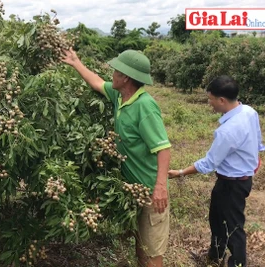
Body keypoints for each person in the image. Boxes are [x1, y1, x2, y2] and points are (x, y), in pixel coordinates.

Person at [62, 48, 171, 267]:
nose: (112, 73)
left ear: (126, 77)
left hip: (150, 191)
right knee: (141, 247)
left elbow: (164, 148)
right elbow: (96, 82)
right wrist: (76, 62)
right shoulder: (120, 96)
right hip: (133, 190)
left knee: (152, 254)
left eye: (116, 70)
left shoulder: (145, 106)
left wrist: (160, 186)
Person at [168, 75, 264, 267]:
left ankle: (238, 263)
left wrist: (180, 172)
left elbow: (209, 163)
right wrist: (254, 158)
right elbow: (257, 141)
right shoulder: (249, 111)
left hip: (232, 183)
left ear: (221, 100)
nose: (209, 103)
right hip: (239, 180)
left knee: (233, 226)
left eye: (210, 99)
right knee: (217, 218)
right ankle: (214, 256)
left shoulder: (227, 131)